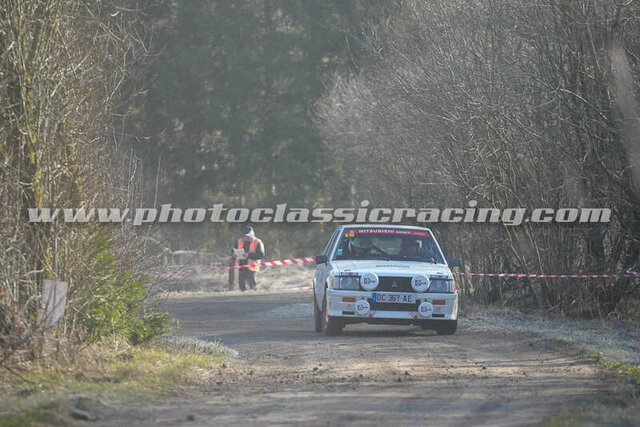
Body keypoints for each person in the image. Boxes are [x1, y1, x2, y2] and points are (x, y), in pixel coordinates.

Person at [231, 226, 265, 291]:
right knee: (241, 285)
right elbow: (233, 251)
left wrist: (249, 255)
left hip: (252, 267)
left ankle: (254, 294)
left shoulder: (258, 242)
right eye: (245, 235)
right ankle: (243, 296)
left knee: (251, 284)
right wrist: (233, 255)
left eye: (248, 235)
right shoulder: (239, 241)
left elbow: (261, 255)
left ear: (252, 234)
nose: (246, 237)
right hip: (241, 266)